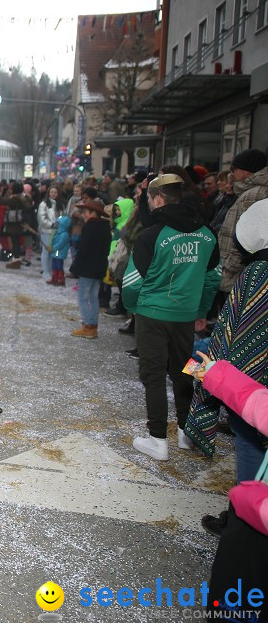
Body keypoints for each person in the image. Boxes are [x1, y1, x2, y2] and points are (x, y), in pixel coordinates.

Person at [122, 173, 220, 461]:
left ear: (159, 199)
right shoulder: (206, 234)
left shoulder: (153, 235)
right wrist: (201, 311)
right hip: (186, 315)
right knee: (185, 370)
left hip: (153, 313)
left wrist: (134, 308)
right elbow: (213, 277)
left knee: (152, 374)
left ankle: (157, 439)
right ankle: (188, 433)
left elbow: (131, 282)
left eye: (150, 199)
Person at [200, 199, 268, 536]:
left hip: (254, 384)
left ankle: (243, 518)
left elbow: (231, 331)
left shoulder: (255, 274)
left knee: (248, 440)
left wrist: (206, 373)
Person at [187, 353, 268, 620]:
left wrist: (253, 502)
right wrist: (216, 374)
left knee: (239, 597)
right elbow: (262, 407)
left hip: (258, 527)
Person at [216, 148, 267, 309]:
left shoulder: (255, 194)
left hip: (236, 272)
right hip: (235, 269)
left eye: (234, 169)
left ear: (246, 171)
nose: (232, 174)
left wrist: (229, 267)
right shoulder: (248, 192)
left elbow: (248, 236)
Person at [69, 198, 110, 339]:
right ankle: (93, 325)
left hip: (87, 268)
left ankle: (88, 326)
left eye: (86, 212)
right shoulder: (105, 227)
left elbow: (83, 250)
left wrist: (75, 267)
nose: (84, 214)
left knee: (82, 297)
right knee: (93, 297)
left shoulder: (90, 227)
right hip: (99, 267)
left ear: (93, 213)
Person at [37, 186, 60, 276]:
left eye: (55, 192)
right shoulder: (44, 204)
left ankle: (51, 270)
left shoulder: (59, 204)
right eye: (52, 192)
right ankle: (46, 271)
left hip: (57, 232)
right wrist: (51, 225)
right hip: (46, 231)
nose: (53, 194)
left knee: (53, 252)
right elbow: (41, 218)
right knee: (46, 251)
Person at [45, 215, 71, 287]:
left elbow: (60, 244)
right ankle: (55, 277)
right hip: (56, 252)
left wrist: (52, 249)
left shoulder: (64, 234)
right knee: (54, 264)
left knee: (58, 265)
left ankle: (60, 278)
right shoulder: (57, 232)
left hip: (58, 252)